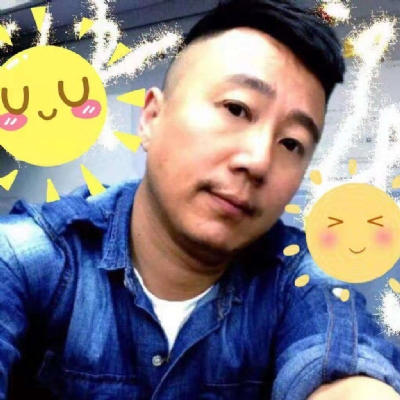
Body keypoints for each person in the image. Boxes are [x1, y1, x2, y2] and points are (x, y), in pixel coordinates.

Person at [1, 0, 400, 399]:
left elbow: (345, 374)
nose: (258, 161)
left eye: (291, 143)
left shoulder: (297, 278)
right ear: (151, 118)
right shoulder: (35, 255)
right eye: (236, 109)